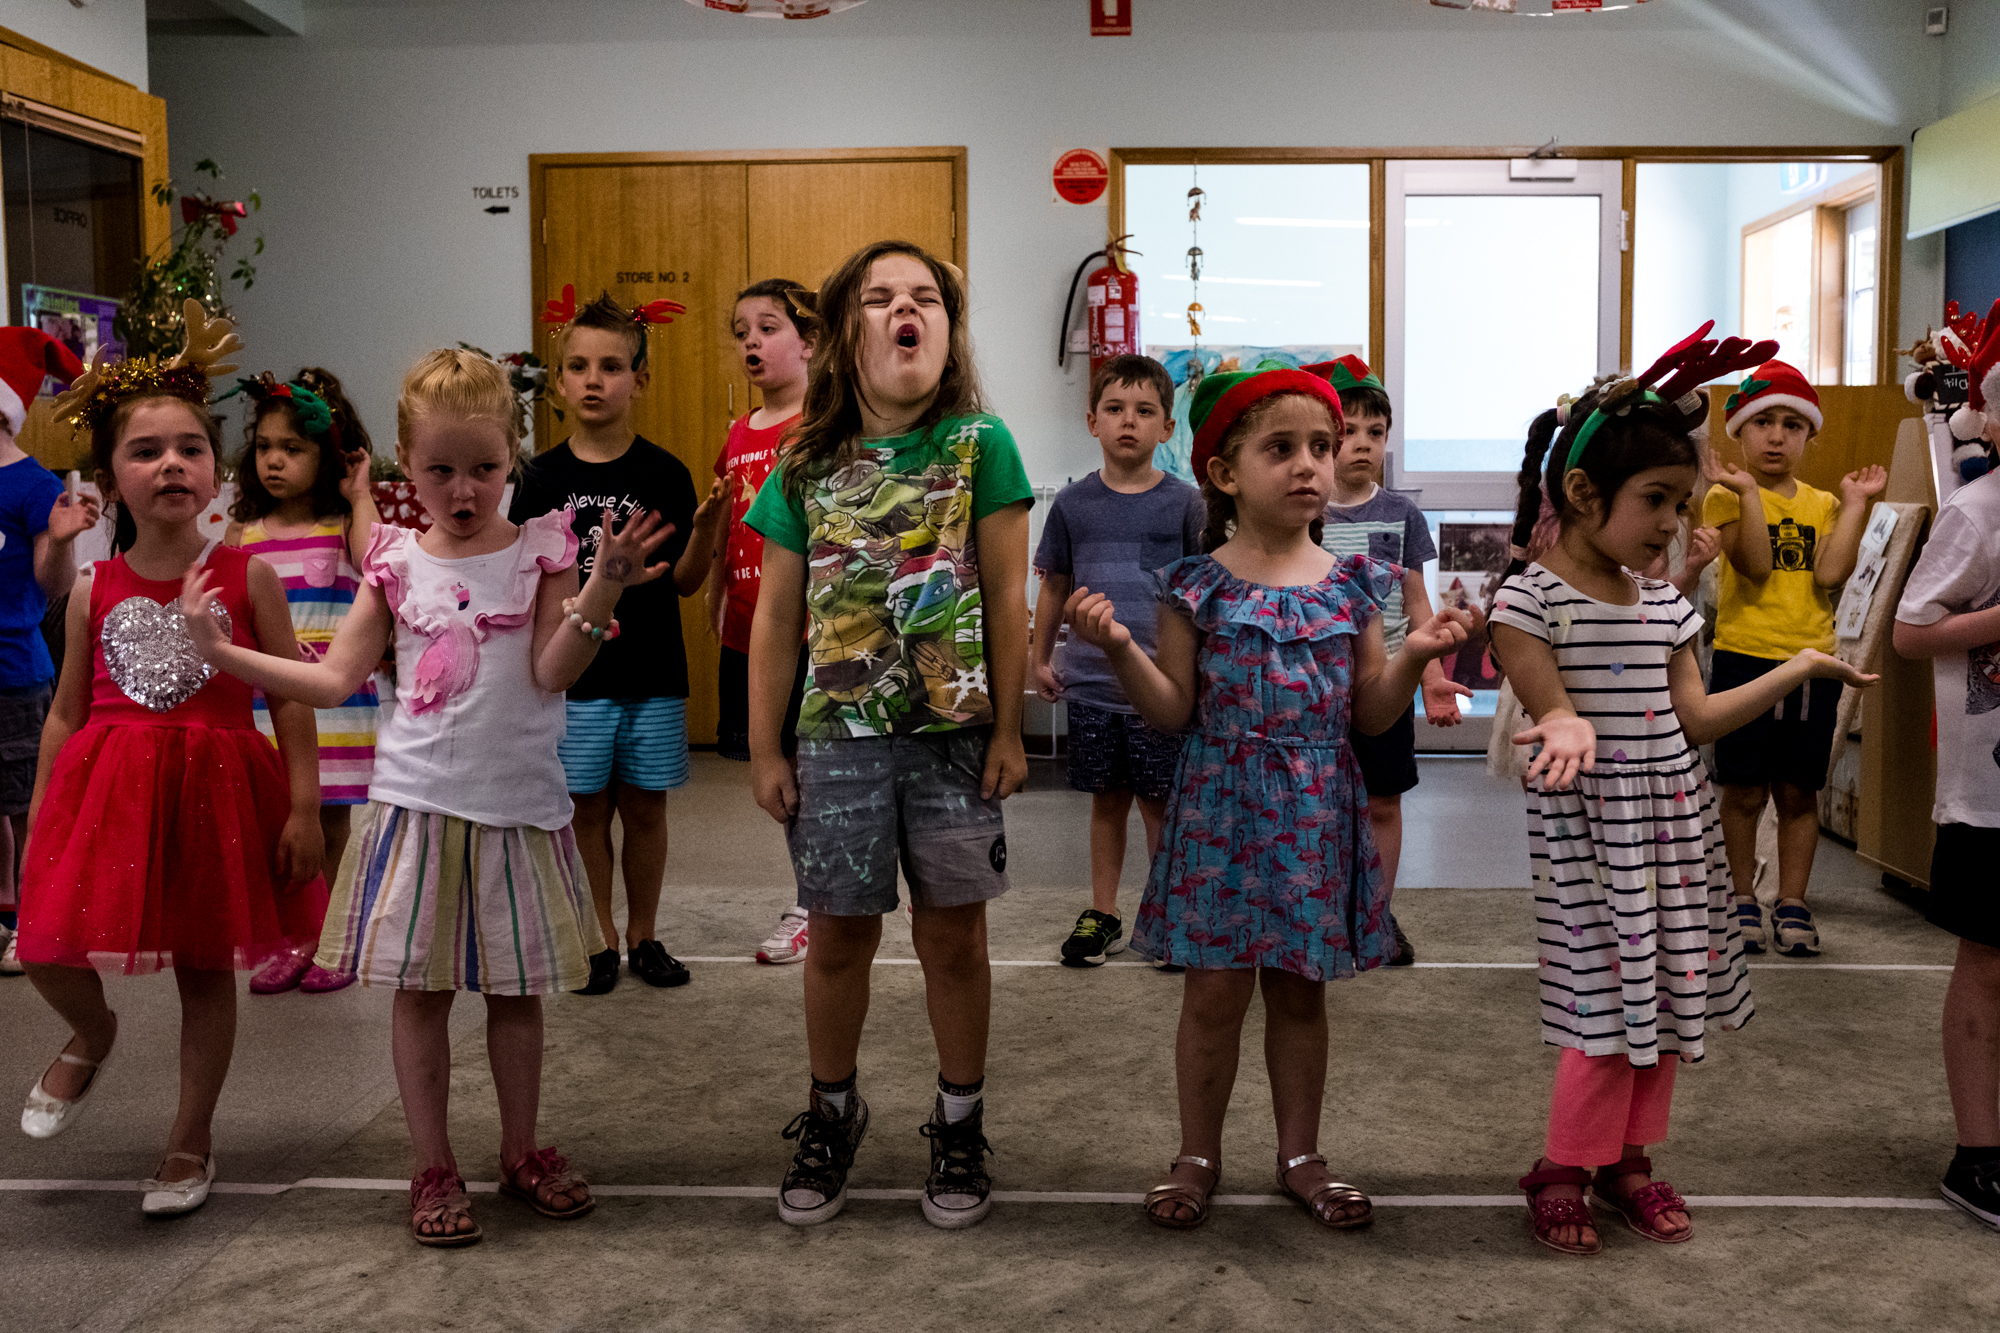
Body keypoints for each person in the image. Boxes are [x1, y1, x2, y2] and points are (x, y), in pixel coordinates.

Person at [183, 347, 670, 1246]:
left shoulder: (543, 547)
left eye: (485, 468)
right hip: (420, 809)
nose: (464, 488)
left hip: (519, 812)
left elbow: (553, 669)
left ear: (512, 455)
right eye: (441, 469)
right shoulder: (397, 561)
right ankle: (432, 1162)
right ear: (406, 460)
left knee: (517, 995)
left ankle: (519, 1149)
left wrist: (600, 588)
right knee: (421, 994)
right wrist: (224, 654)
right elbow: (332, 681)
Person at [1066, 364, 1477, 1232]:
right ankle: (1197, 1153)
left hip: (1316, 810)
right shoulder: (1194, 585)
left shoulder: (1352, 584)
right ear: (1223, 471)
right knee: (1212, 994)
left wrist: (1413, 656)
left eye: (1321, 448)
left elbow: (1369, 712)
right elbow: (1174, 709)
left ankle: (1302, 1154)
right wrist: (1117, 649)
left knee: (1300, 992)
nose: (1310, 466)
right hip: (1219, 808)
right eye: (1281, 448)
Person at [1489, 370, 1875, 1256]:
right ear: (1583, 493)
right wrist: (1565, 725)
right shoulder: (1530, 599)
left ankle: (1627, 1160)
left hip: (1674, 830)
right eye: (1656, 501)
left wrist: (1801, 666)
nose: (1674, 524)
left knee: (1663, 1003)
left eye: (1681, 501)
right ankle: (1561, 1165)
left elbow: (1695, 719)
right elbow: (1551, 705)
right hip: (1593, 840)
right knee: (1601, 1013)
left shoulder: (1666, 606)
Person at [744, 240, 1032, 1230]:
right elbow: (775, 618)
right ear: (843, 332)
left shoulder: (981, 445)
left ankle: (958, 1119)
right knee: (837, 938)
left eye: (924, 299)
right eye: (878, 298)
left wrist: (1008, 726)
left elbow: (1004, 594)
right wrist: (763, 746)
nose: (902, 310)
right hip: (836, 742)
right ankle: (832, 1109)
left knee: (953, 939)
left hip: (954, 742)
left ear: (946, 333)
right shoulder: (805, 463)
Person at [16, 307, 327, 1218]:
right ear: (110, 479)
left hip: (219, 792)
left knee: (204, 968)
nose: (171, 465)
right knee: (41, 941)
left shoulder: (249, 576)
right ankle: (92, 1029)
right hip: (108, 788)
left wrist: (304, 806)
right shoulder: (91, 587)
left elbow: (289, 698)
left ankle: (189, 1143)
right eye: (146, 451)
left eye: (189, 448)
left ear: (214, 471)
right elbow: (67, 709)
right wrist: (41, 813)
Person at [509, 289, 726, 995]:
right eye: (578, 366)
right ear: (560, 379)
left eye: (611, 365)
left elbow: (688, 582)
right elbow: (525, 584)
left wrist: (708, 530)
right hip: (578, 676)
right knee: (588, 809)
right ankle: (598, 935)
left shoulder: (662, 472)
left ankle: (645, 934)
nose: (593, 379)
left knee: (645, 805)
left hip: (652, 672)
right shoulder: (538, 479)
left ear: (641, 378)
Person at [1702, 362, 1885, 957]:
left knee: (1798, 790)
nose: (1776, 436)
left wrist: (1855, 503)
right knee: (1744, 790)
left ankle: (1793, 900)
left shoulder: (1824, 503)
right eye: (1761, 422)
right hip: (1745, 662)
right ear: (1739, 432)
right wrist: (1750, 494)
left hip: (1813, 663)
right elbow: (1754, 562)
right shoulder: (1724, 495)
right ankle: (1739, 898)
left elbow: (1831, 574)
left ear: (1809, 436)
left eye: (1791, 424)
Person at [1032, 352, 1202, 969]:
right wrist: (1039, 656)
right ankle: (1102, 913)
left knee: (1161, 804)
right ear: (1092, 422)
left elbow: (1201, 590)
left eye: (1145, 410)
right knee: (1107, 803)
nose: (1128, 421)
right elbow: (1054, 583)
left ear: (1167, 427)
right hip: (1092, 687)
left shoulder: (1188, 505)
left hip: (1161, 687)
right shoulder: (1073, 505)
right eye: (1114, 409)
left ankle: (1167, 914)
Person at [222, 368, 381, 996]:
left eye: (293, 448)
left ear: (329, 455)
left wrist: (361, 493)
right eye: (264, 447)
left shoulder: (340, 526)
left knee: (330, 825)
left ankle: (337, 939)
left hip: (330, 702)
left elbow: (377, 565)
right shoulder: (245, 534)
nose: (275, 461)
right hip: (263, 703)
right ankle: (295, 937)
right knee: (278, 824)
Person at [1891, 312, 2000, 1230]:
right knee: (1989, 963)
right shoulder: (1975, 511)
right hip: (1990, 794)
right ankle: (1978, 1152)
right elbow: (1911, 630)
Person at [1310, 355, 1467, 967]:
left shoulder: (1401, 514)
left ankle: (1375, 913)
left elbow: (1417, 602)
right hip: (1318, 682)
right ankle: (1321, 908)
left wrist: (1432, 683)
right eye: (1347, 431)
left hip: (1387, 678)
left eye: (1375, 433)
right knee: (1319, 801)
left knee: (1382, 800)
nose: (1362, 445)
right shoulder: (1307, 510)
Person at [715, 278, 819, 966]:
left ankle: (816, 899)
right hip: (749, 625)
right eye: (742, 330)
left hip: (810, 630)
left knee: (817, 769)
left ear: (810, 342)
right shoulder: (737, 431)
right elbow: (732, 521)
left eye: (770, 326)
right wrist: (718, 600)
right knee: (778, 771)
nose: (752, 340)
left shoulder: (822, 425)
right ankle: (822, 881)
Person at [0, 329, 98, 976]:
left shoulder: (33, 484)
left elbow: (53, 583)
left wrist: (61, 540)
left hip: (12, 672)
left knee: (15, 801)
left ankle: (18, 917)